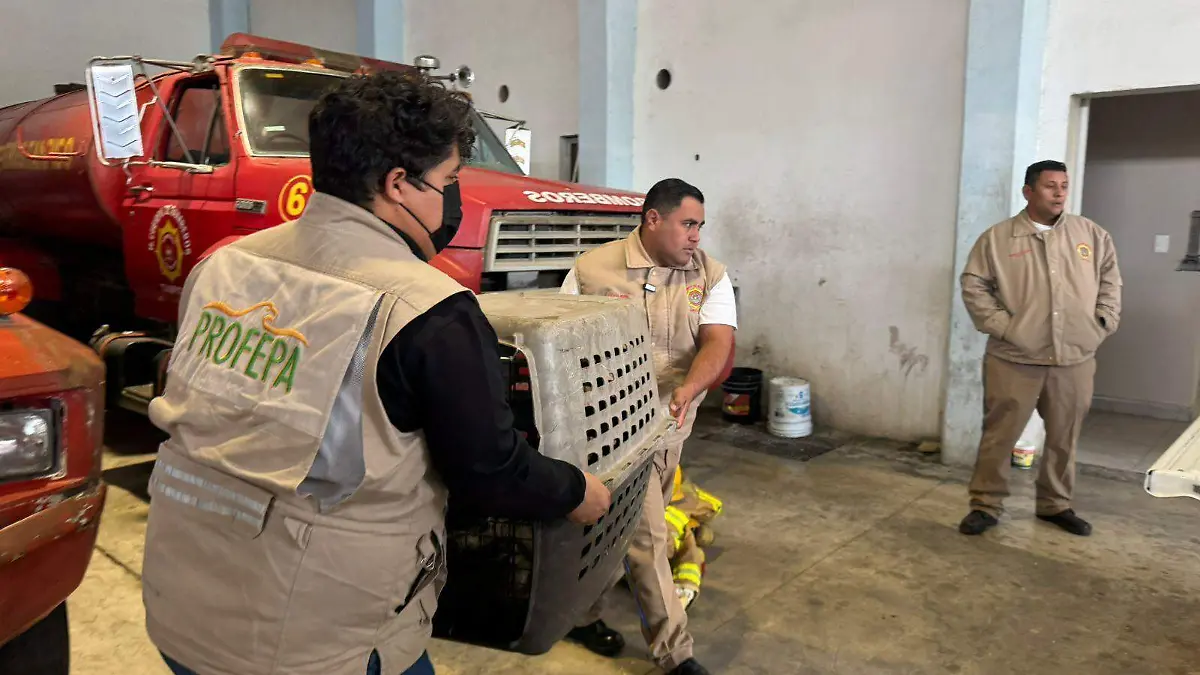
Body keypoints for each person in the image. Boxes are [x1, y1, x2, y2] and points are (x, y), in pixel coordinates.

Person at [140, 70, 611, 675]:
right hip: (314, 639)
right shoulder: (426, 309)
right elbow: (490, 472)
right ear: (397, 185)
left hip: (180, 605)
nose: (451, 199)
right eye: (447, 181)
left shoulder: (225, 264)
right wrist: (575, 491)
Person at [560, 178, 737, 675]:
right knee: (648, 536)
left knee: (614, 534)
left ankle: (581, 614)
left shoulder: (710, 275)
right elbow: (560, 339)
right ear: (653, 219)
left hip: (672, 426)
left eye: (700, 226)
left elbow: (718, 343)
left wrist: (688, 389)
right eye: (688, 224)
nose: (696, 236)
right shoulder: (591, 271)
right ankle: (674, 652)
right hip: (612, 430)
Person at [958, 159, 1122, 537]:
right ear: (1028, 192)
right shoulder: (997, 240)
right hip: (1014, 359)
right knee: (1000, 434)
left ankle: (1055, 504)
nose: (1060, 192)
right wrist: (1007, 329)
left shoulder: (1091, 236)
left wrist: (1103, 321)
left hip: (1075, 359)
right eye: (1050, 186)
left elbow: (1111, 280)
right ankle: (985, 504)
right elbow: (974, 286)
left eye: (1064, 185)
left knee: (1065, 435)